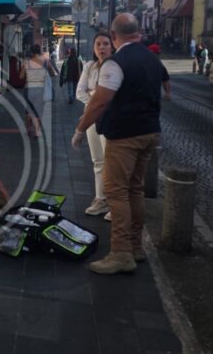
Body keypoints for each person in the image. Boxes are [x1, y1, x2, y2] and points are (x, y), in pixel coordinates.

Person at [72, 14, 169, 275]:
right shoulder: (152, 59)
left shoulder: (116, 63)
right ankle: (135, 247)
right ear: (137, 32)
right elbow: (165, 89)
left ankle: (121, 253)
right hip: (150, 132)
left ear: (114, 37)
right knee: (135, 190)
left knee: (115, 192)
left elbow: (100, 101)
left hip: (124, 135)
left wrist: (81, 129)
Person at [76, 33, 113, 221]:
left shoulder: (116, 67)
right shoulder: (89, 67)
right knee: (97, 160)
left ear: (112, 46)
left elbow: (114, 96)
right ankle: (101, 199)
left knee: (111, 162)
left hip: (110, 118)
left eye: (106, 44)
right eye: (98, 44)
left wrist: (96, 97)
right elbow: (79, 92)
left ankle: (115, 203)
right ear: (93, 48)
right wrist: (97, 99)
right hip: (91, 117)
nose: (102, 47)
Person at [20, 45, 57, 137]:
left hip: (29, 89)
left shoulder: (27, 62)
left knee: (29, 110)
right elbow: (52, 73)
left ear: (31, 52)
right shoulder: (45, 61)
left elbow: (21, 76)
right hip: (40, 89)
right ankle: (37, 131)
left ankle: (28, 129)